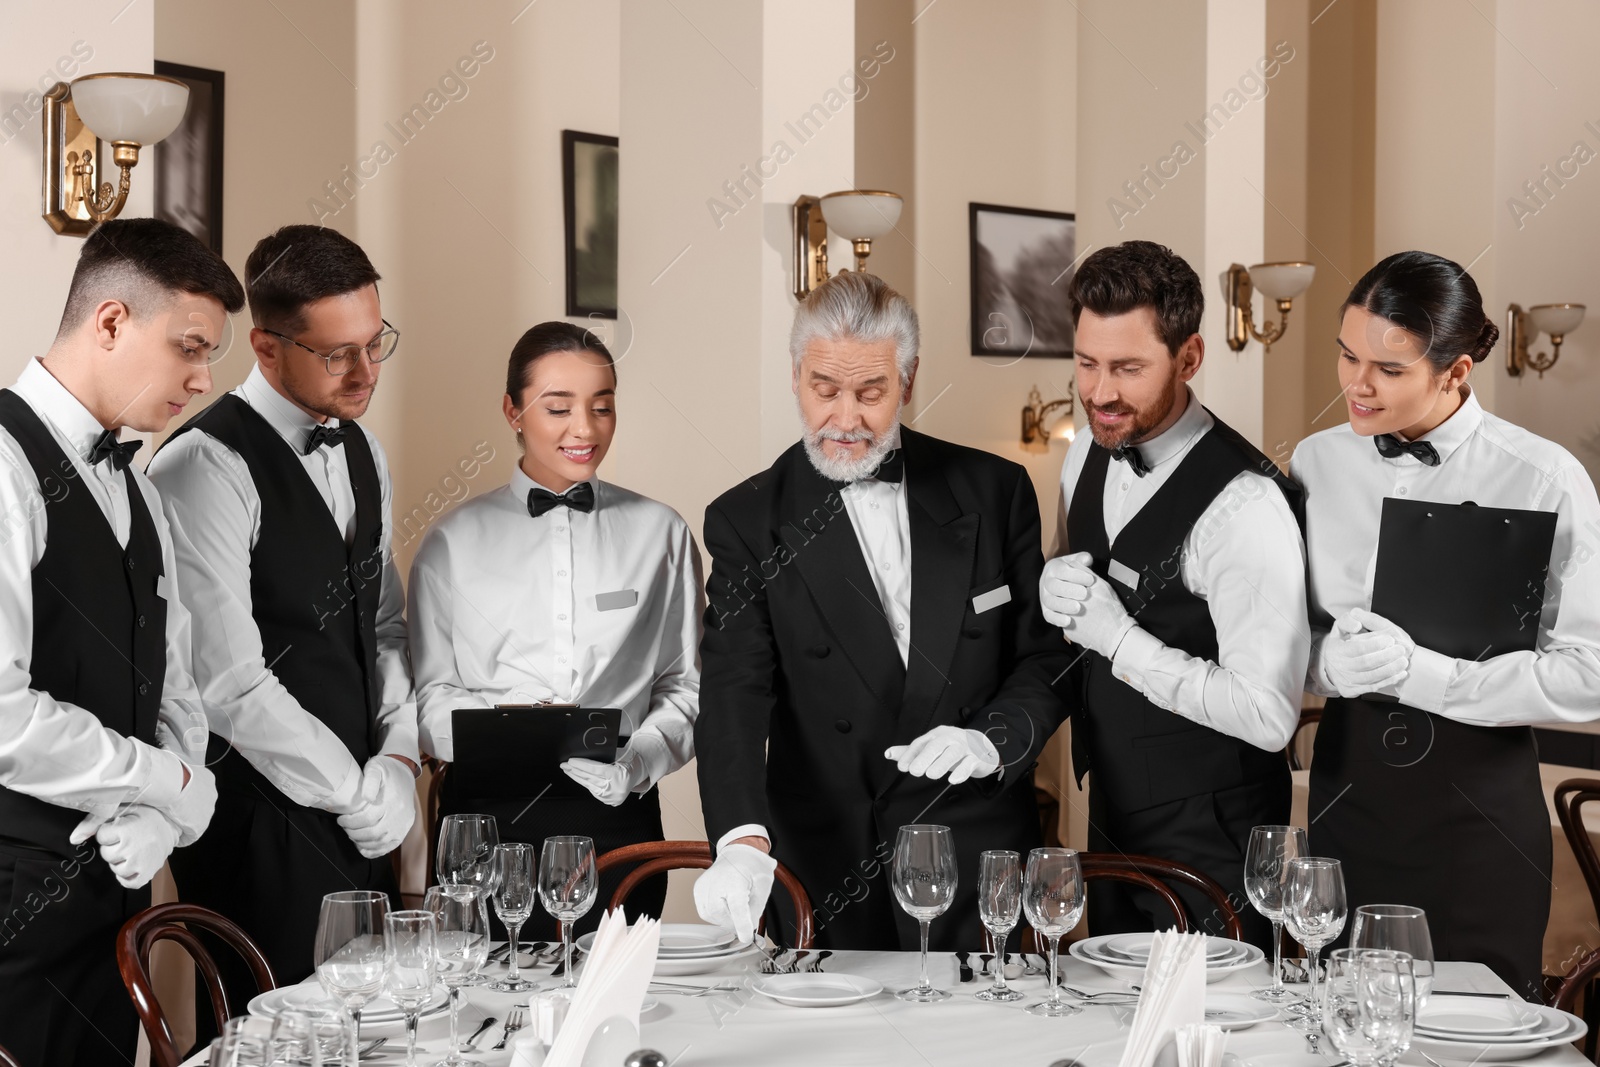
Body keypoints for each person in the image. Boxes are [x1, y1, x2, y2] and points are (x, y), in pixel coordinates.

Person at [693, 271, 1070, 951]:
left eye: (871, 393)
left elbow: (1043, 656)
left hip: (977, 850)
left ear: (910, 377)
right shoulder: (747, 518)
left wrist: (993, 739)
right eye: (824, 390)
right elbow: (731, 691)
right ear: (794, 376)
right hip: (829, 864)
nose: (844, 419)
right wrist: (742, 838)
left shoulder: (995, 490)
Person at [1291, 250, 1600, 1001]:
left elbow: (1589, 674)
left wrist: (1420, 675)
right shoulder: (1314, 462)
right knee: (1338, 1019)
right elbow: (1276, 640)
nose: (1357, 385)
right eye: (1346, 355)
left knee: (1480, 1027)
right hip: (1348, 792)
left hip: (1480, 808)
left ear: (1457, 370)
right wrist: (1329, 667)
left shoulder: (1543, 476)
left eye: (1389, 370)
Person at [147, 226, 418, 1031]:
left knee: (377, 1034)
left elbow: (387, 626)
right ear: (265, 347)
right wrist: (352, 789)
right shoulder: (201, 465)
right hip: (259, 824)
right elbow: (226, 682)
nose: (366, 372)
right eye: (338, 354)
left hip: (367, 806)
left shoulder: (364, 449)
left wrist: (399, 760)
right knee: (275, 1040)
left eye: (376, 343)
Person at [0, 217, 239, 1066]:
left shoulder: (139, 489)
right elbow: (3, 717)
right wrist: (168, 783)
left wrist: (161, 822)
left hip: (119, 897)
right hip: (16, 903)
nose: (205, 379)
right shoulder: (3, 466)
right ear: (109, 321)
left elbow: (173, 685)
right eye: (189, 348)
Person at [1040, 241, 1308, 951]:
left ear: (1189, 359)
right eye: (1086, 362)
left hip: (1215, 835)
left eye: (1128, 368)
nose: (1099, 391)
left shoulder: (1246, 505)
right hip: (1112, 811)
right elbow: (1076, 592)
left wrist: (1122, 639)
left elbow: (1268, 714)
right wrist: (1052, 583)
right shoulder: (1083, 452)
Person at [409, 322, 701, 938]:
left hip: (616, 811)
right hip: (486, 819)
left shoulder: (663, 534)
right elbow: (432, 693)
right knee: (486, 1013)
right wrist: (506, 739)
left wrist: (638, 762)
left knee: (613, 1009)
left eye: (602, 407)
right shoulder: (452, 541)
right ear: (513, 410)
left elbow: (684, 686)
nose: (585, 429)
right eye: (559, 408)